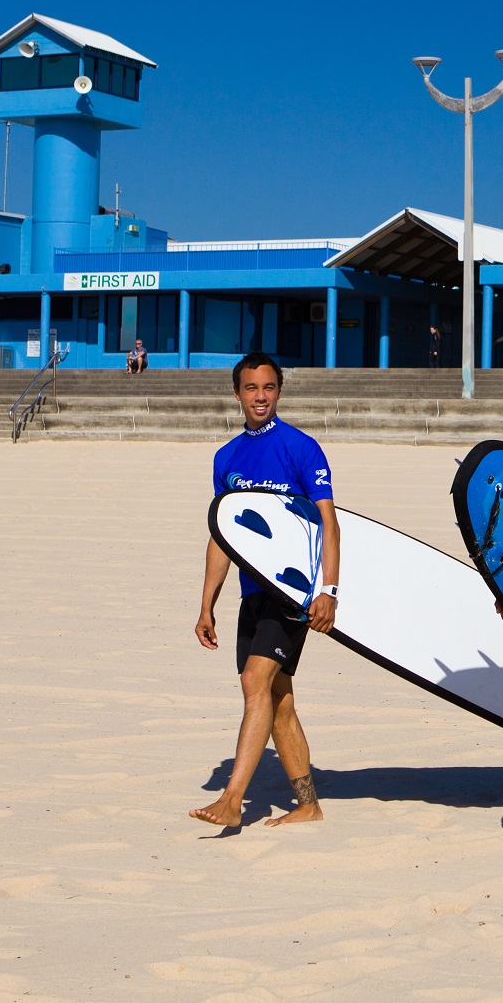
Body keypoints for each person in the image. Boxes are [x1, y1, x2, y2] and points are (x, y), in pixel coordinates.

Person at [191, 352, 341, 829]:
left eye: (269, 387)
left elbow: (330, 525)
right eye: (252, 388)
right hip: (251, 593)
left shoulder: (301, 448)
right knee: (278, 701)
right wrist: (207, 603)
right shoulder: (226, 458)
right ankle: (309, 804)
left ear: (279, 391)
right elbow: (223, 535)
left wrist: (329, 591)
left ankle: (233, 799)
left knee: (254, 682)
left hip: (292, 593)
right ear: (237, 393)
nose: (260, 396)